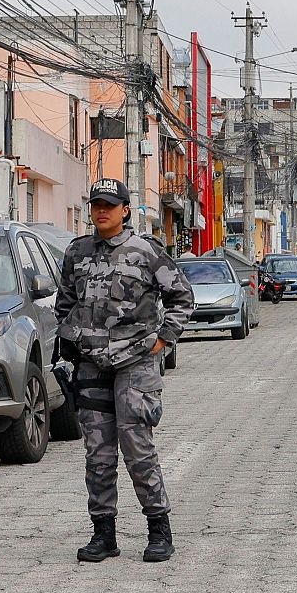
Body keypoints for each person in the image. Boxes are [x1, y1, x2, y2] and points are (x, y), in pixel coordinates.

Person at [56, 178, 194, 561]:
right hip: (91, 363)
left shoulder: (145, 251)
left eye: (110, 205)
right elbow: (65, 302)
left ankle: (158, 529)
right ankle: (104, 534)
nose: (102, 211)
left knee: (138, 449)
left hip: (135, 361)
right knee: (97, 454)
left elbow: (182, 297)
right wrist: (70, 338)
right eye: (96, 204)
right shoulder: (77, 251)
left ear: (125, 210)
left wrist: (163, 340)